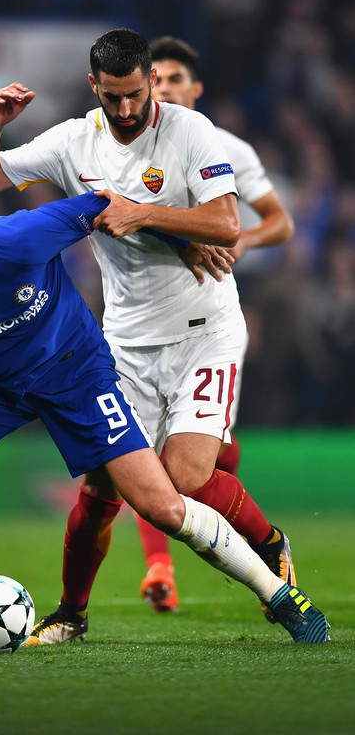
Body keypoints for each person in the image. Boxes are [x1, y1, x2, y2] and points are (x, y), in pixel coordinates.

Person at [0, 188, 328, 654]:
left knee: (163, 507)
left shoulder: (21, 237)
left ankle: (282, 598)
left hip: (75, 375)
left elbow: (108, 205)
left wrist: (180, 240)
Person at [0, 27, 298, 644]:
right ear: (94, 85)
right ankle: (71, 614)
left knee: (186, 477)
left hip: (204, 330)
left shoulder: (190, 131)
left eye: (135, 95)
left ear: (151, 81)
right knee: (100, 484)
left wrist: (141, 212)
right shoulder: (73, 141)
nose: (124, 109)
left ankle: (270, 543)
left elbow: (227, 223)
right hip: (124, 342)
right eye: (111, 96)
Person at [132, 35, 296, 615]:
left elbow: (280, 222)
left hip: (211, 324)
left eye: (176, 79)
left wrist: (240, 240)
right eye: (157, 79)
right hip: (148, 326)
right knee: (154, 459)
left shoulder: (226, 148)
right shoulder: (130, 148)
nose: (166, 88)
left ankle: (263, 543)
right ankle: (161, 568)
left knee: (200, 461)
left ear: (196, 88)